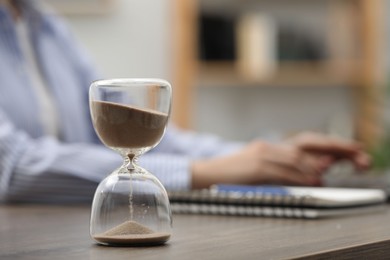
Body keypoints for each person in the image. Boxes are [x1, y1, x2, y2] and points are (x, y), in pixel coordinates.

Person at [0, 0, 370, 203]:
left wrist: (263, 156)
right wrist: (205, 173)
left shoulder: (45, 24)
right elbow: (13, 167)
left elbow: (135, 131)